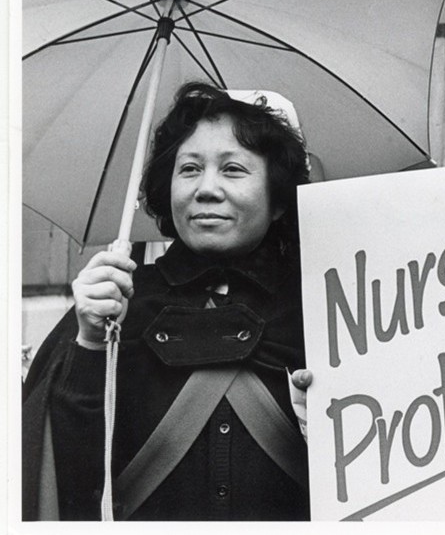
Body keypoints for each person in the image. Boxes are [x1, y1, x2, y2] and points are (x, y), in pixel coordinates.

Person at [22, 82, 313, 520]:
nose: (206, 189)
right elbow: (63, 486)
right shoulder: (116, 305)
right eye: (190, 168)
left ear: (278, 200)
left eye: (233, 169)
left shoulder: (327, 307)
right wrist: (89, 345)